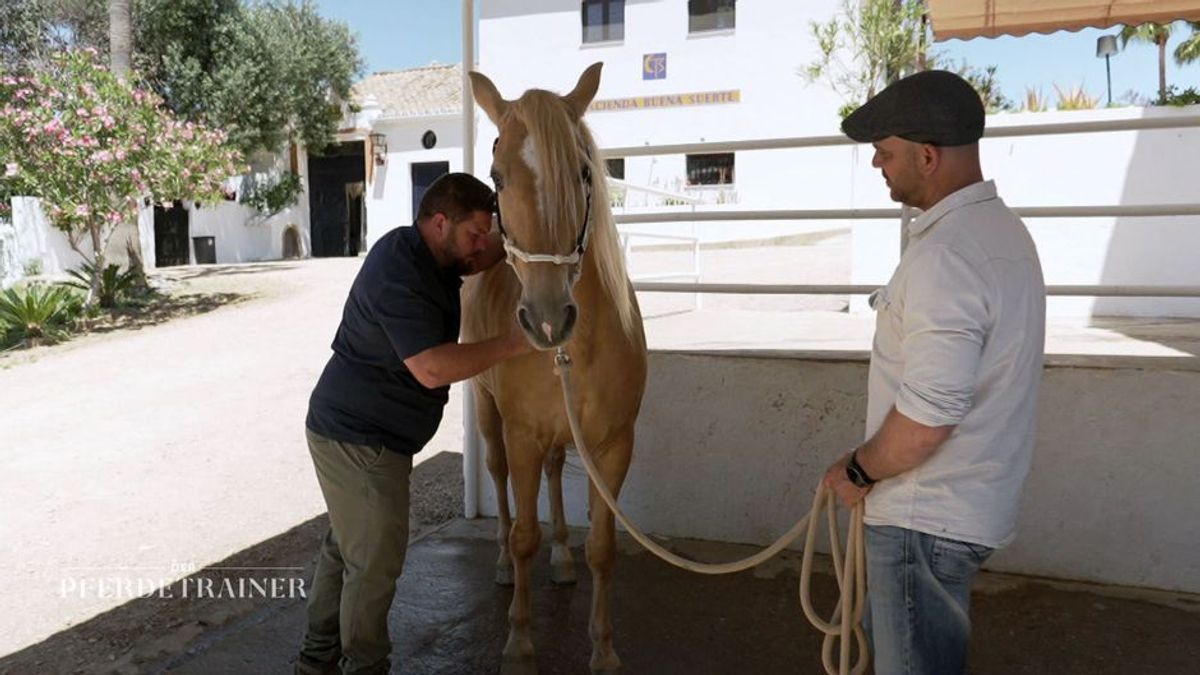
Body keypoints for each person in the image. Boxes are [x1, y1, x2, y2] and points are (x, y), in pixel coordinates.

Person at [822, 70, 1046, 675]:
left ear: (926, 155)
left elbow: (927, 418)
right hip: (959, 507)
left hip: (924, 518)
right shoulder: (1000, 233)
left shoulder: (947, 254)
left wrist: (859, 468)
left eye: (886, 152)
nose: (877, 165)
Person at [295, 172, 532, 675]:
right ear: (441, 222)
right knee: (373, 568)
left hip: (360, 431)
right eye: (475, 234)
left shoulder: (433, 254)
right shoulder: (400, 270)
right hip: (359, 440)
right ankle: (362, 666)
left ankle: (315, 663)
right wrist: (517, 341)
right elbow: (431, 368)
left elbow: (485, 254)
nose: (480, 248)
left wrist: (526, 240)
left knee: (346, 551)